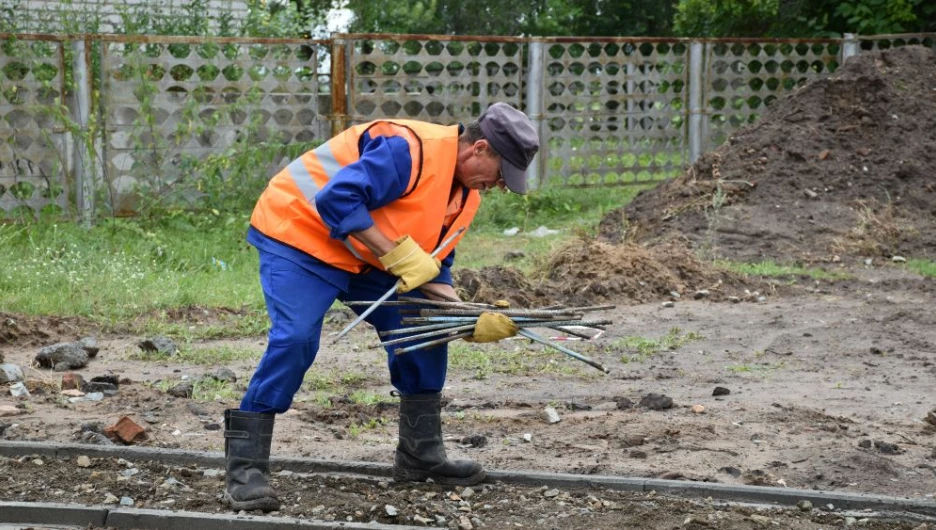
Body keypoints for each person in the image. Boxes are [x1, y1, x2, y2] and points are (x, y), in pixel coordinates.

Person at [223, 103, 540, 512]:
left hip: (365, 253)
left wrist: (466, 316)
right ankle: (245, 469)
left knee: (426, 324)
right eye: (500, 175)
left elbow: (435, 266)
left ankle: (420, 454)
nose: (497, 186)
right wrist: (396, 256)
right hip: (301, 235)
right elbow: (336, 199)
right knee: (296, 338)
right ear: (479, 148)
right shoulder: (408, 150)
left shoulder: (465, 196)